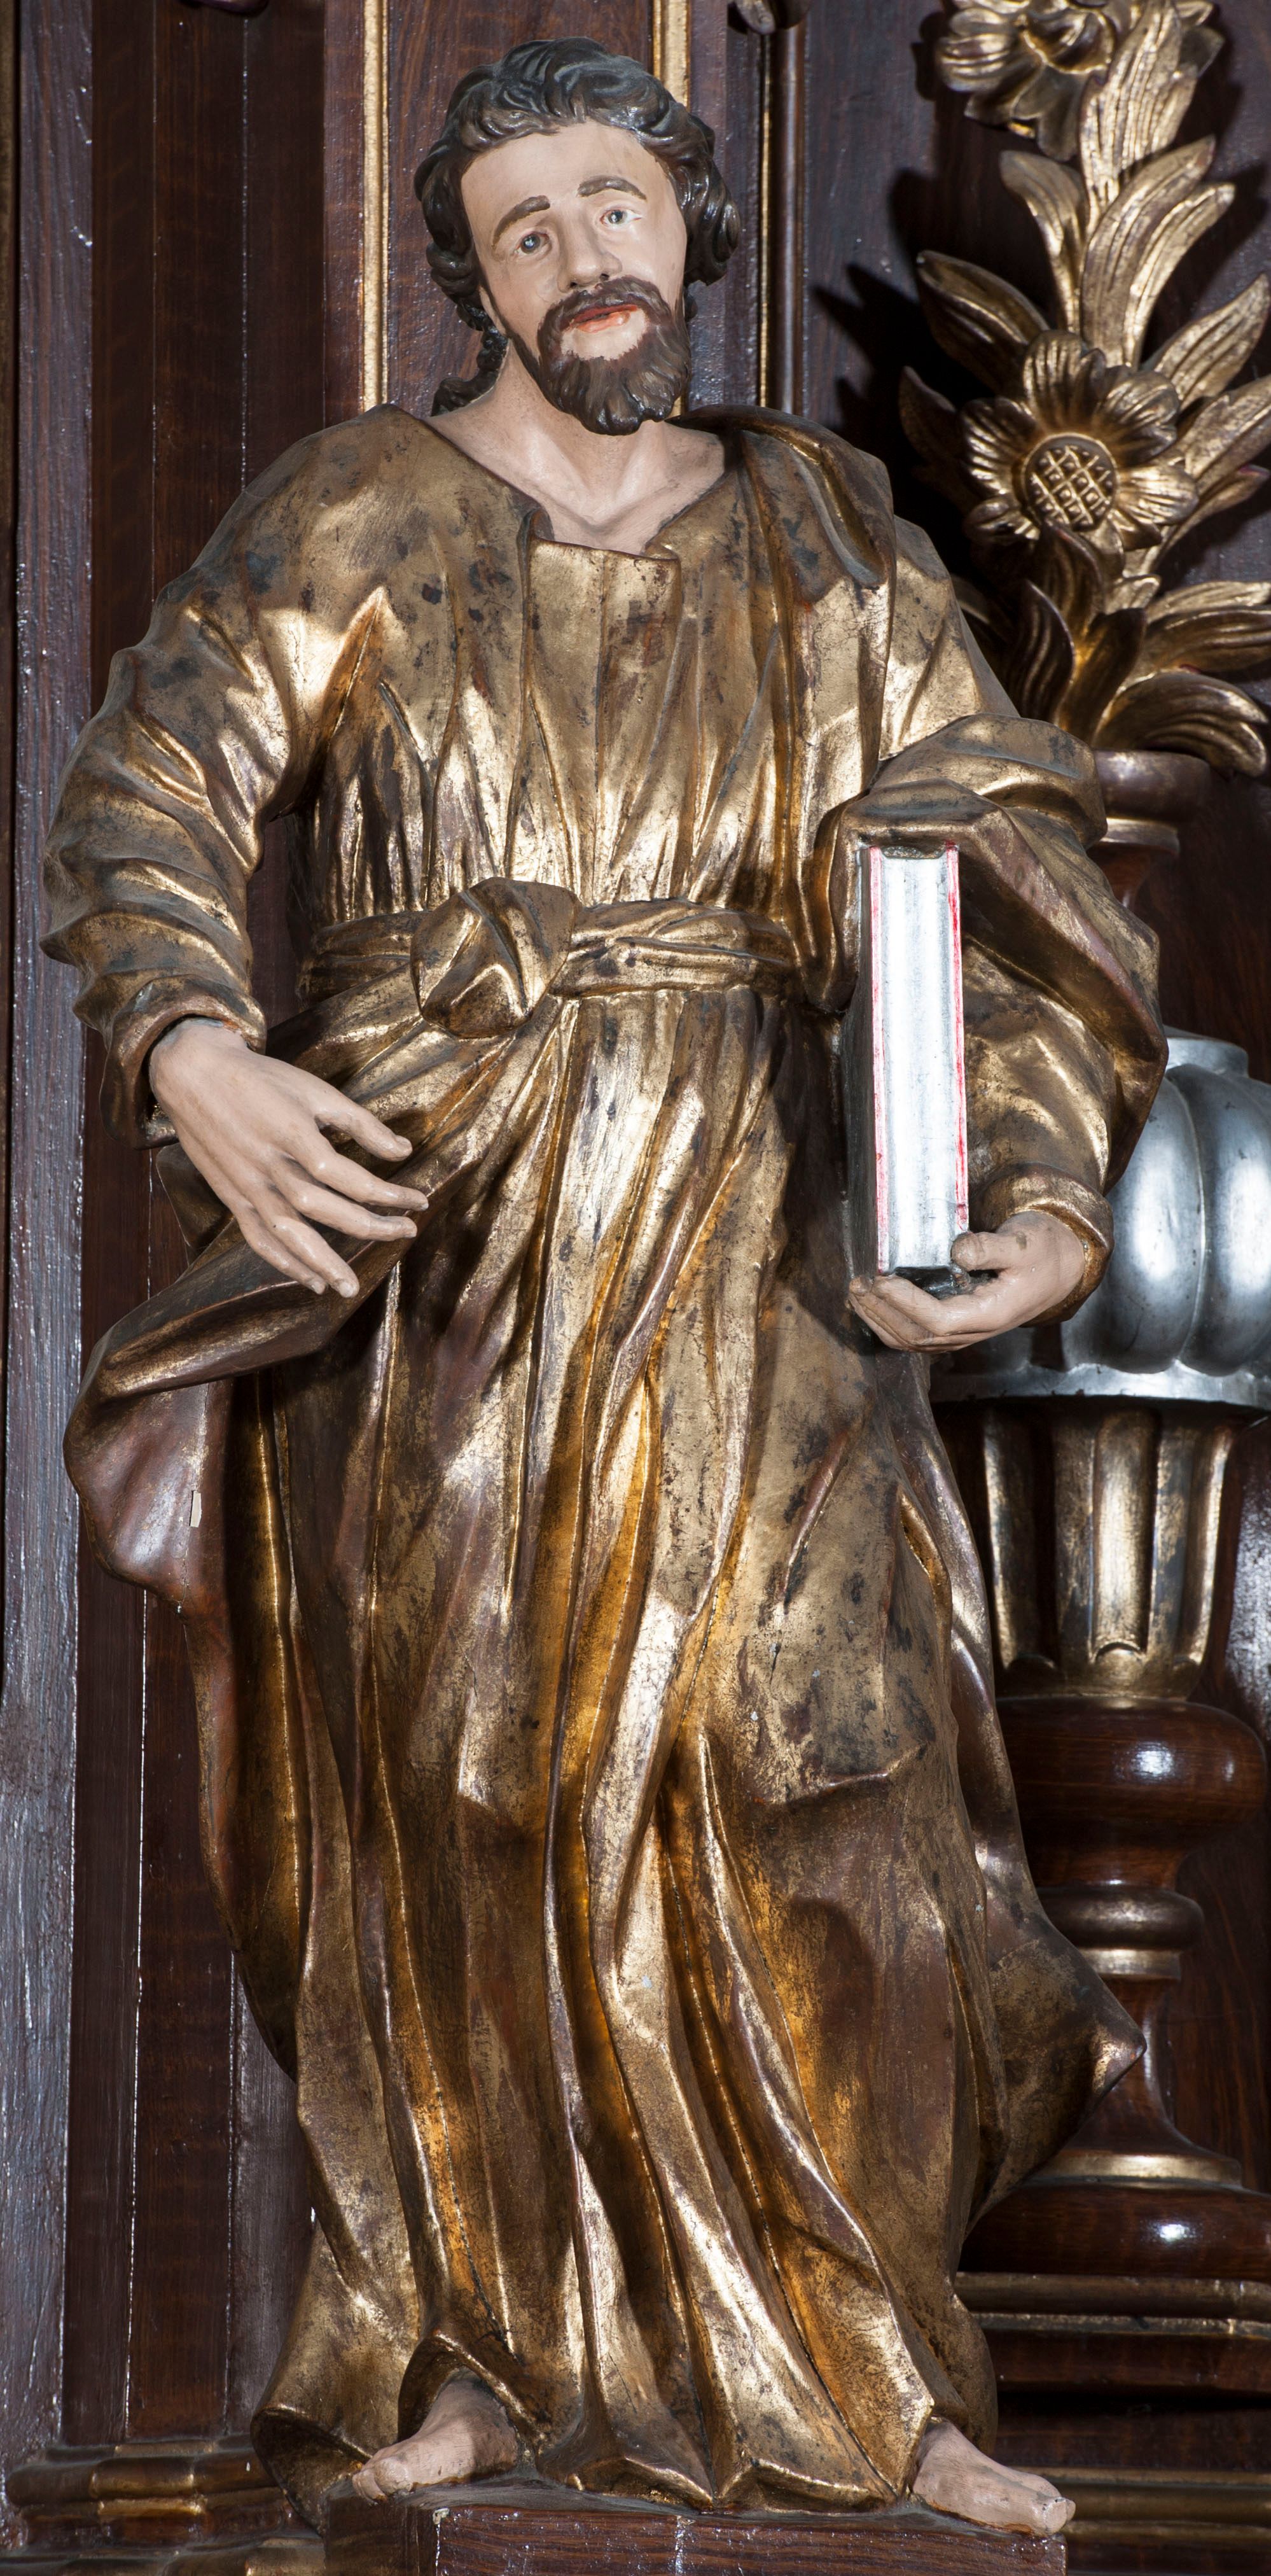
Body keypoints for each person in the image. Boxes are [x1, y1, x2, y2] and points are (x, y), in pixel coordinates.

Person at [44, 37, 1163, 2543]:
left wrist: (1039, 1188)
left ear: (691, 227)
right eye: (526, 226)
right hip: (438, 1235)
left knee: (827, 1784)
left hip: (765, 1237)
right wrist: (198, 1050)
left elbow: (995, 882)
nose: (584, 259)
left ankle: (872, 2383)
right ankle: (461, 2350)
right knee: (457, 1787)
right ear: (472, 277)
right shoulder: (352, 508)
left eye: (615, 205)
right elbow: (150, 790)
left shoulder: (827, 540)